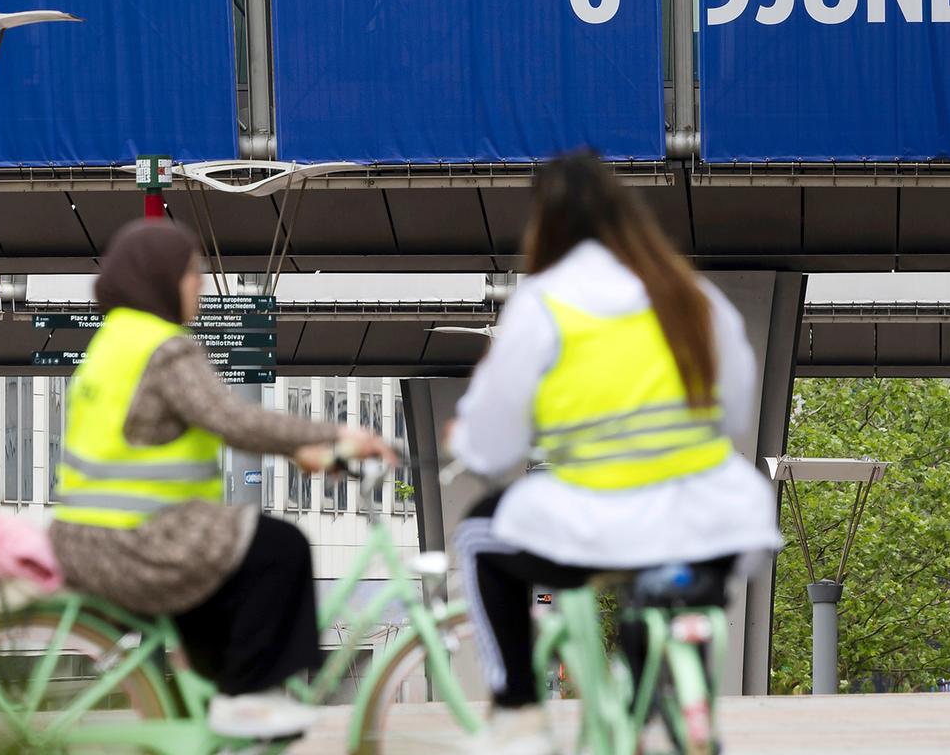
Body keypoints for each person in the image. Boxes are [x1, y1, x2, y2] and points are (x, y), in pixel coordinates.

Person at [447, 150, 782, 755]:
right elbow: (733, 414)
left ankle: (519, 713)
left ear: (542, 224)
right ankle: (665, 693)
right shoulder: (692, 296)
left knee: (478, 535)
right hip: (710, 516)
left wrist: (471, 442)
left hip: (597, 515)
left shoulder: (544, 303)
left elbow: (493, 445)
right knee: (666, 582)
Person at [48, 220, 396, 739]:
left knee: (224, 601)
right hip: (138, 541)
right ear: (161, 277)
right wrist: (337, 433)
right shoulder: (165, 348)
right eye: (193, 272)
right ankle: (252, 699)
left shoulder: (112, 342)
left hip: (86, 538)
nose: (203, 285)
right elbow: (232, 419)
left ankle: (225, 707)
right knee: (280, 546)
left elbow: (163, 431)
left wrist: (303, 450)